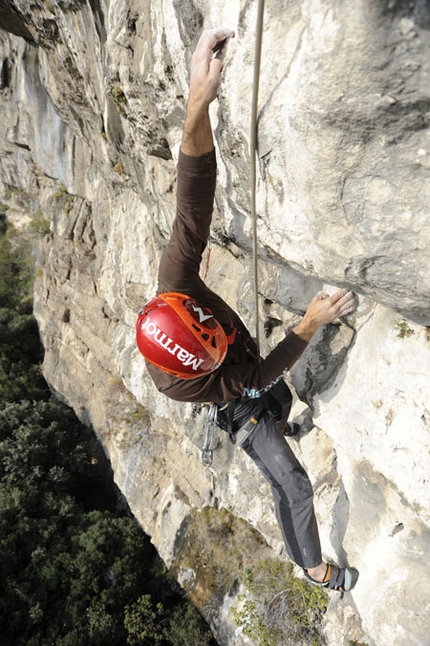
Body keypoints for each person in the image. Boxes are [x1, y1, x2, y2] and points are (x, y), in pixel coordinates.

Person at [136, 27, 358, 593]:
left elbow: (193, 198)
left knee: (279, 403)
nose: (216, 329)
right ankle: (312, 568)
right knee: (295, 485)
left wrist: (197, 102)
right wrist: (310, 323)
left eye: (209, 327)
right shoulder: (180, 386)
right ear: (195, 368)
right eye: (210, 348)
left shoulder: (174, 283)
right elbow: (253, 377)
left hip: (251, 385)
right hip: (240, 409)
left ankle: (284, 423)